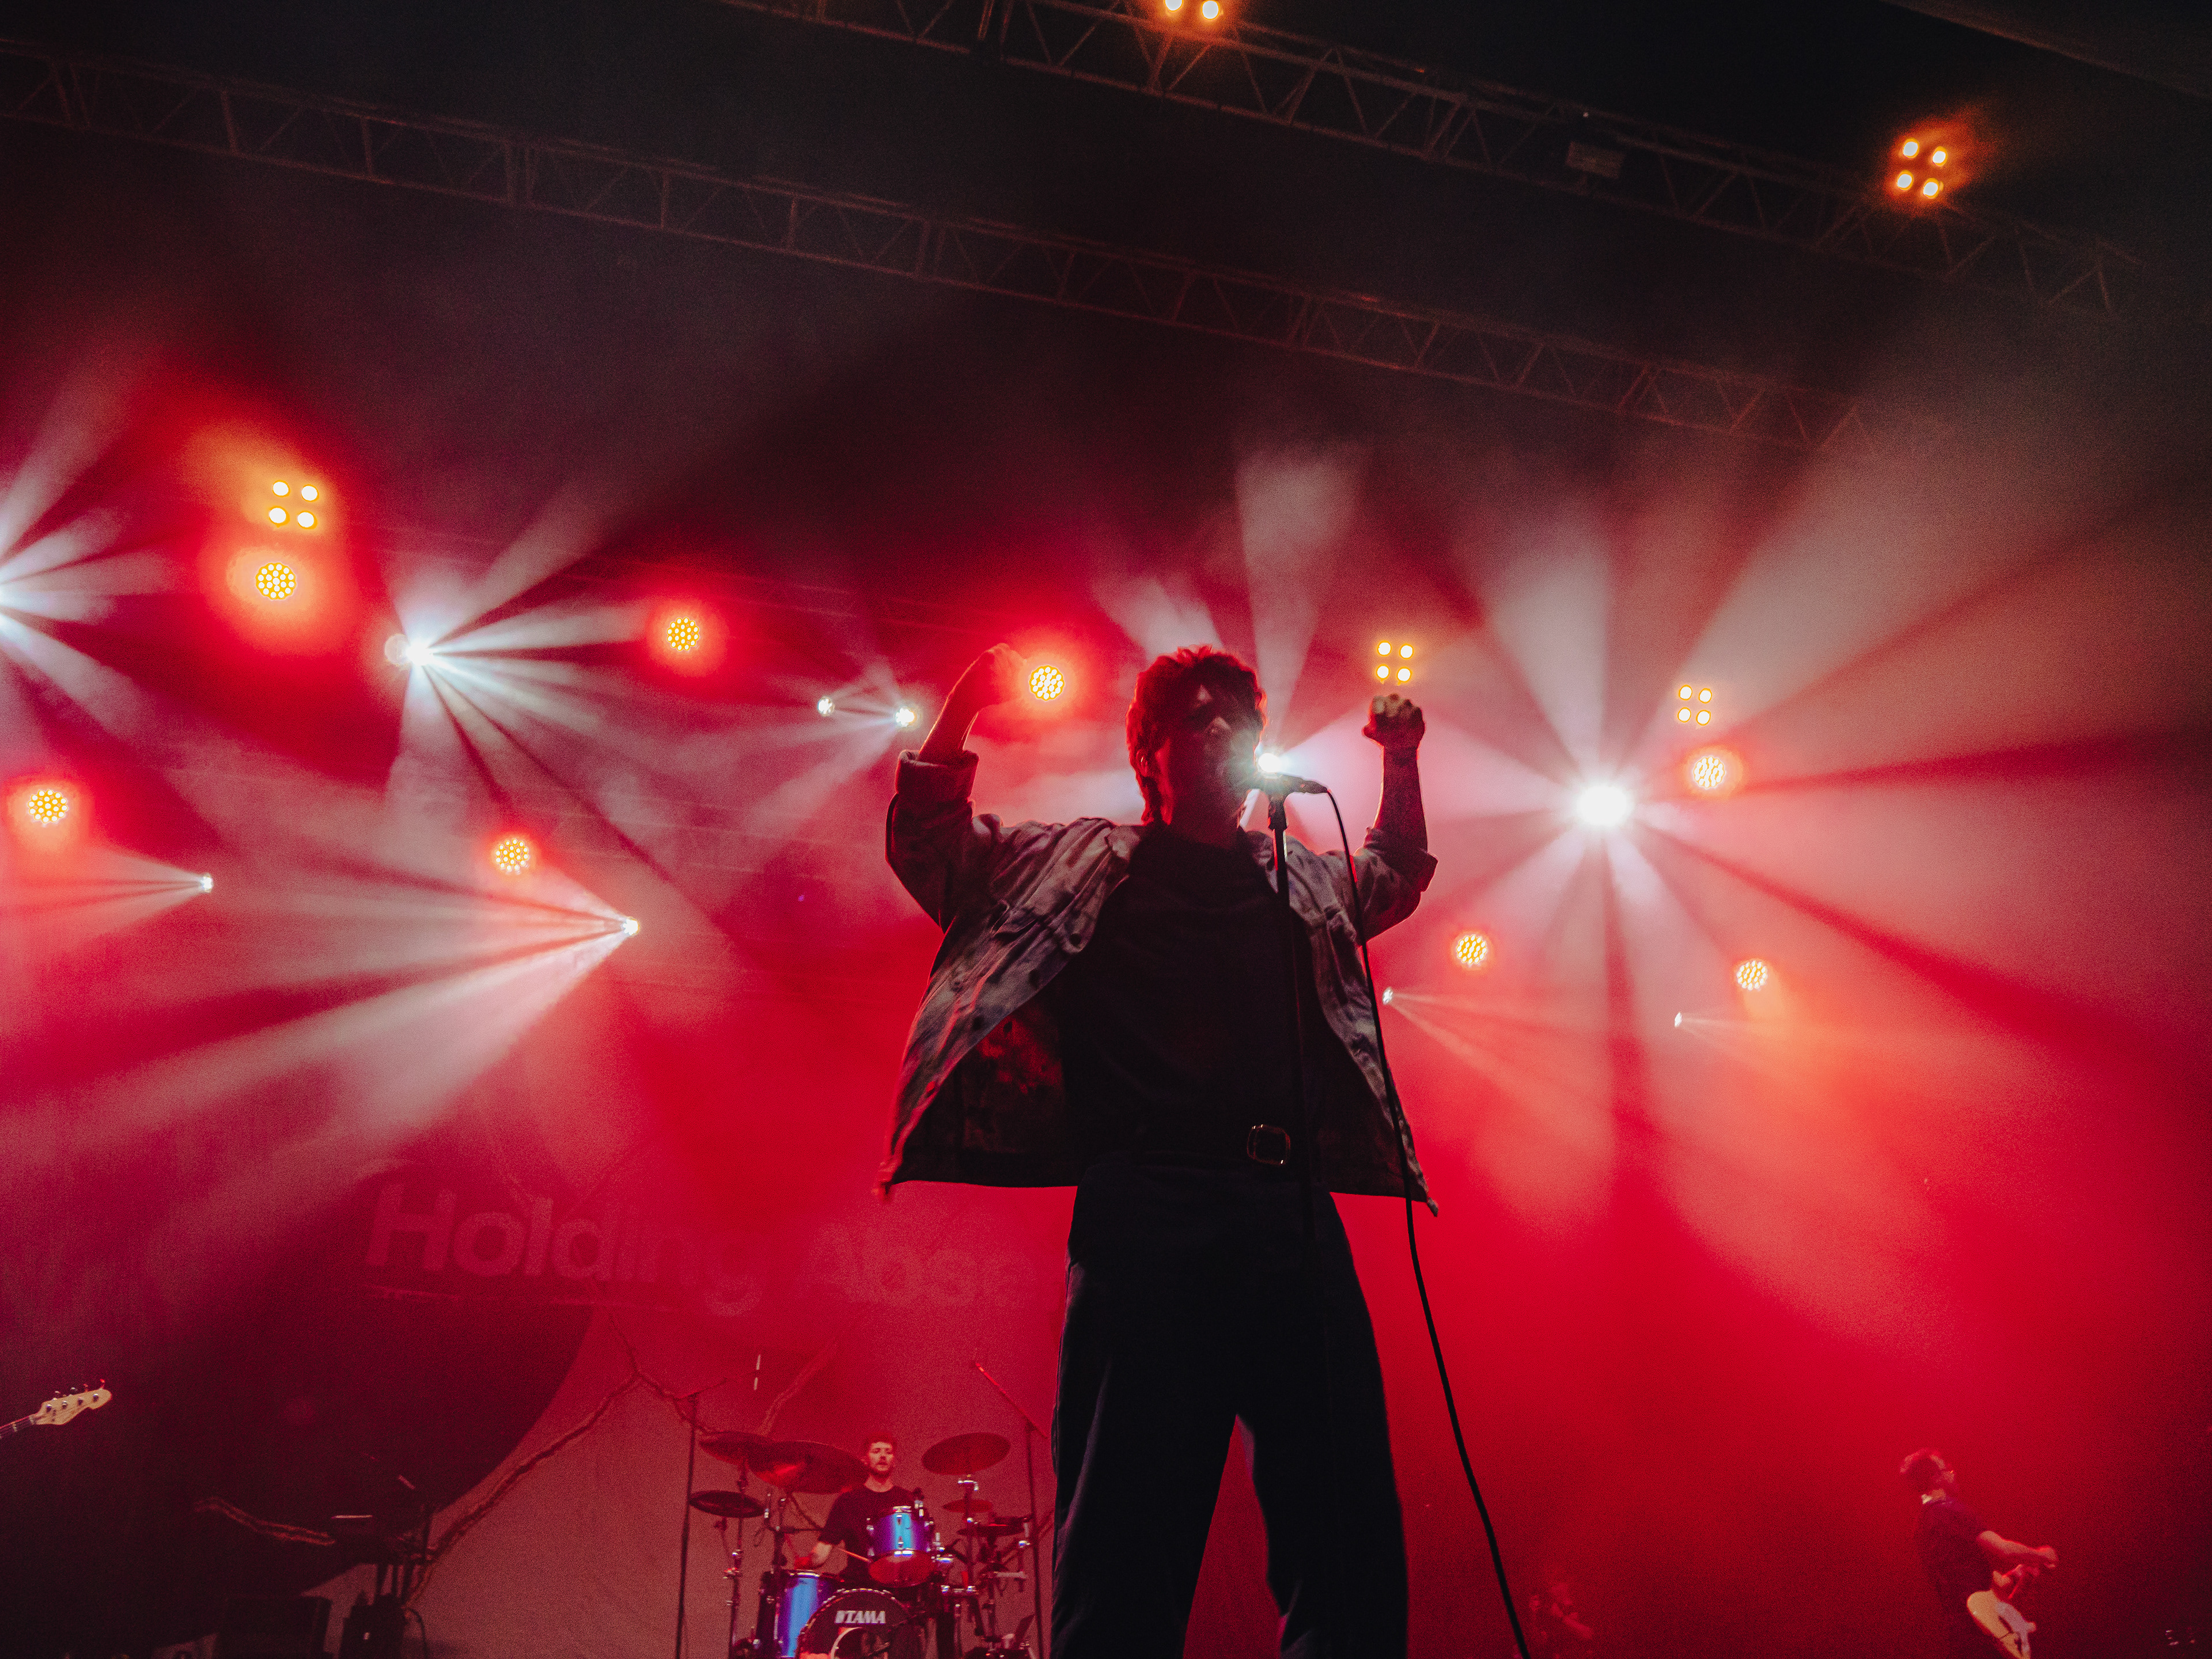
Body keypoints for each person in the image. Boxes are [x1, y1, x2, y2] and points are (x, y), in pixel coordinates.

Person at [884, 642, 1434, 1658]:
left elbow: (1393, 874)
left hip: (1291, 1215)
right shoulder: (1079, 865)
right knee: (1127, 1545)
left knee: (1346, 1530)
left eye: (1239, 717)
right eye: (1197, 717)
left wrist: (1400, 761)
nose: (1223, 729)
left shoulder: (1299, 880)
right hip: (1150, 1218)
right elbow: (932, 844)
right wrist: (964, 704)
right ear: (1149, 756)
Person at [1898, 1448, 2058, 1657]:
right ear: (1936, 1478)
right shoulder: (1950, 1509)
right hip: (1982, 1630)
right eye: (1947, 1469)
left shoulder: (1921, 1528)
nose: (1953, 1473)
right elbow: (2003, 1549)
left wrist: (2021, 1573)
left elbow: (1993, 1586)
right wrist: (2041, 1555)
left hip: (1964, 1631)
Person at [792, 1435, 915, 1586]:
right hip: (858, 1585)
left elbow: (920, 1553)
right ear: (865, 1460)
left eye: (888, 1452)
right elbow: (822, 1553)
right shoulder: (848, 1501)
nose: (883, 1456)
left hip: (899, 1585)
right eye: (876, 1451)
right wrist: (807, 1562)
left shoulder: (908, 1500)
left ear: (894, 1461)